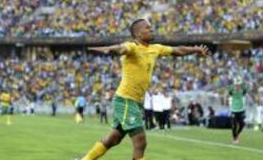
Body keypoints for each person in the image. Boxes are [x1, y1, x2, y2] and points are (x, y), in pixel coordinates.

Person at [80, 18, 210, 160]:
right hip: (125, 101)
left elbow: (177, 50)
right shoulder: (132, 47)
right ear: (137, 33)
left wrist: (195, 50)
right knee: (140, 141)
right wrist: (111, 49)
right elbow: (122, 48)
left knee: (114, 139)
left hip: (135, 102)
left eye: (151, 27)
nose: (151, 30)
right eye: (147, 28)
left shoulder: (155, 48)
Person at [227, 77, 248, 144]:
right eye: (236, 86)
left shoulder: (242, 93)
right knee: (234, 125)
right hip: (234, 110)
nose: (237, 87)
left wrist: (241, 82)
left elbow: (245, 89)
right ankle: (235, 138)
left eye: (238, 86)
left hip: (241, 110)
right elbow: (229, 89)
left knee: (242, 124)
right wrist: (234, 82)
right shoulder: (232, 93)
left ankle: (237, 134)